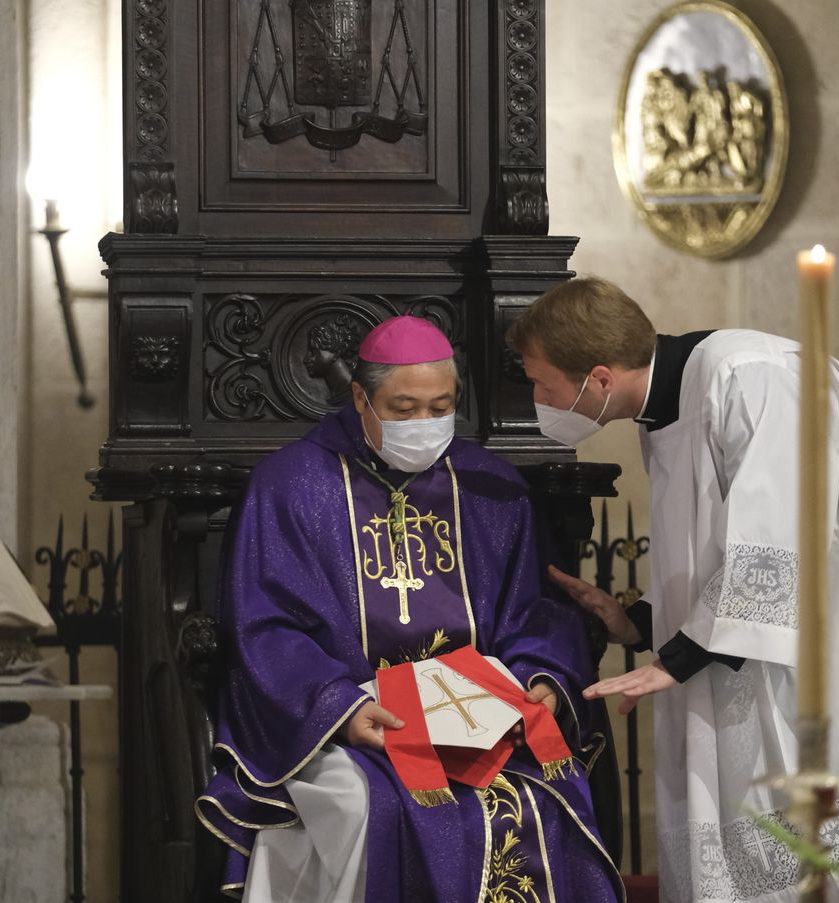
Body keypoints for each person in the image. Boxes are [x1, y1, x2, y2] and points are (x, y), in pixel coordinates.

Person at [506, 277, 839, 901]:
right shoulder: (667, 412)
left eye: (542, 383)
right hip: (797, 658)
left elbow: (783, 532)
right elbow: (718, 554)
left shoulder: (749, 377)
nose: (537, 399)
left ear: (597, 378)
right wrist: (641, 622)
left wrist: (677, 659)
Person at [197, 315, 621, 902]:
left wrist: (539, 680)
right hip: (359, 721)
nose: (424, 424)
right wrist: (340, 711)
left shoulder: (489, 486)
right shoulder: (289, 486)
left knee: (545, 794)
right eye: (404, 409)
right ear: (360, 399)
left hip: (482, 719)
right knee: (358, 805)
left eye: (439, 406)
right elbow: (265, 629)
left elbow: (536, 611)